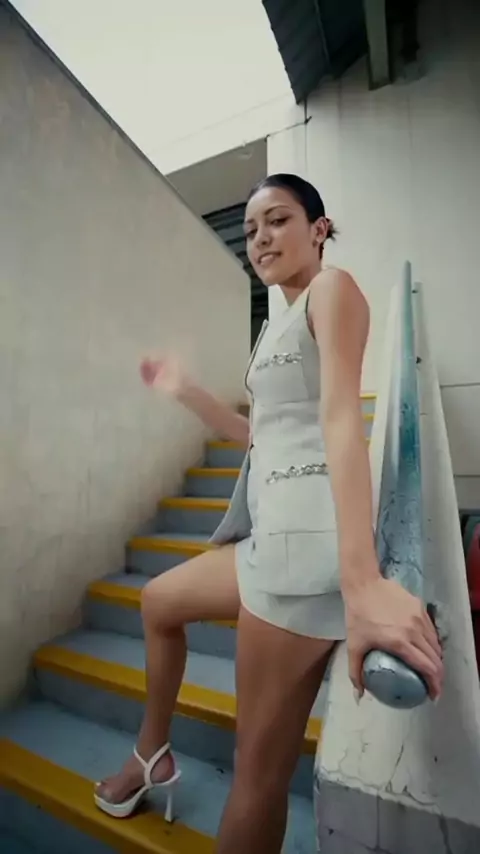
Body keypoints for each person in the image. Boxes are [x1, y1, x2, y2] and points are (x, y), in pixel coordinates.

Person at [94, 174, 443, 853]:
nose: (259, 239)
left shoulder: (332, 290)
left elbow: (341, 419)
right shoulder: (273, 325)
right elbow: (262, 435)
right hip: (268, 542)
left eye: (278, 221)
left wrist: (362, 582)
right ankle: (151, 754)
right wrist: (188, 392)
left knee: (256, 774)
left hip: (304, 555)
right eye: (251, 230)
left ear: (319, 229)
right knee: (159, 603)